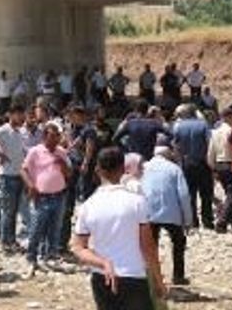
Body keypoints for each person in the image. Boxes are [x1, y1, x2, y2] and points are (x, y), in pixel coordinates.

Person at [71, 147, 167, 310]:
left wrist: (102, 263)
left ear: (97, 170)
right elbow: (148, 247)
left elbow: (78, 247)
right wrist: (158, 281)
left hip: (102, 277)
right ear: (123, 169)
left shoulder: (88, 206)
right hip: (133, 275)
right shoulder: (137, 202)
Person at [22, 121, 71, 273]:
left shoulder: (61, 152)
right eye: (52, 136)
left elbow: (69, 174)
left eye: (57, 136)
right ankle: (31, 257)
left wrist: (62, 163)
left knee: (55, 228)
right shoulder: (35, 151)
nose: (56, 139)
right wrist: (30, 185)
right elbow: (23, 170)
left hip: (59, 195)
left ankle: (50, 255)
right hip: (41, 197)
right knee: (37, 228)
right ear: (44, 137)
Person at [143, 145, 192, 286]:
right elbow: (183, 195)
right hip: (172, 213)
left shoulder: (145, 167)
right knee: (178, 243)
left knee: (151, 246)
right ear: (168, 154)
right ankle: (178, 276)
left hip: (149, 212)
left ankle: (151, 275)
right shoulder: (174, 169)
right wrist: (187, 220)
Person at [0, 104, 28, 252]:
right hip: (7, 176)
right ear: (12, 114)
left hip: (18, 174)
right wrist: (1, 155)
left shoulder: (19, 131)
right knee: (8, 211)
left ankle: (11, 239)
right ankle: (6, 241)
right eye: (20, 115)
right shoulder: (3, 130)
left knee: (13, 210)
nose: (23, 118)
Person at [170, 104, 213, 230]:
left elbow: (175, 145)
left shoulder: (178, 126)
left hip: (186, 162)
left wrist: (179, 161)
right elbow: (209, 143)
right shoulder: (203, 125)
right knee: (206, 193)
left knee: (190, 193)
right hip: (203, 162)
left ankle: (194, 221)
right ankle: (207, 220)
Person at [209, 107, 232, 233]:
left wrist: (212, 167)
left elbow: (211, 152)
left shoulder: (215, 132)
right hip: (229, 164)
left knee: (229, 194)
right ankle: (222, 221)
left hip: (219, 164)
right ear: (229, 117)